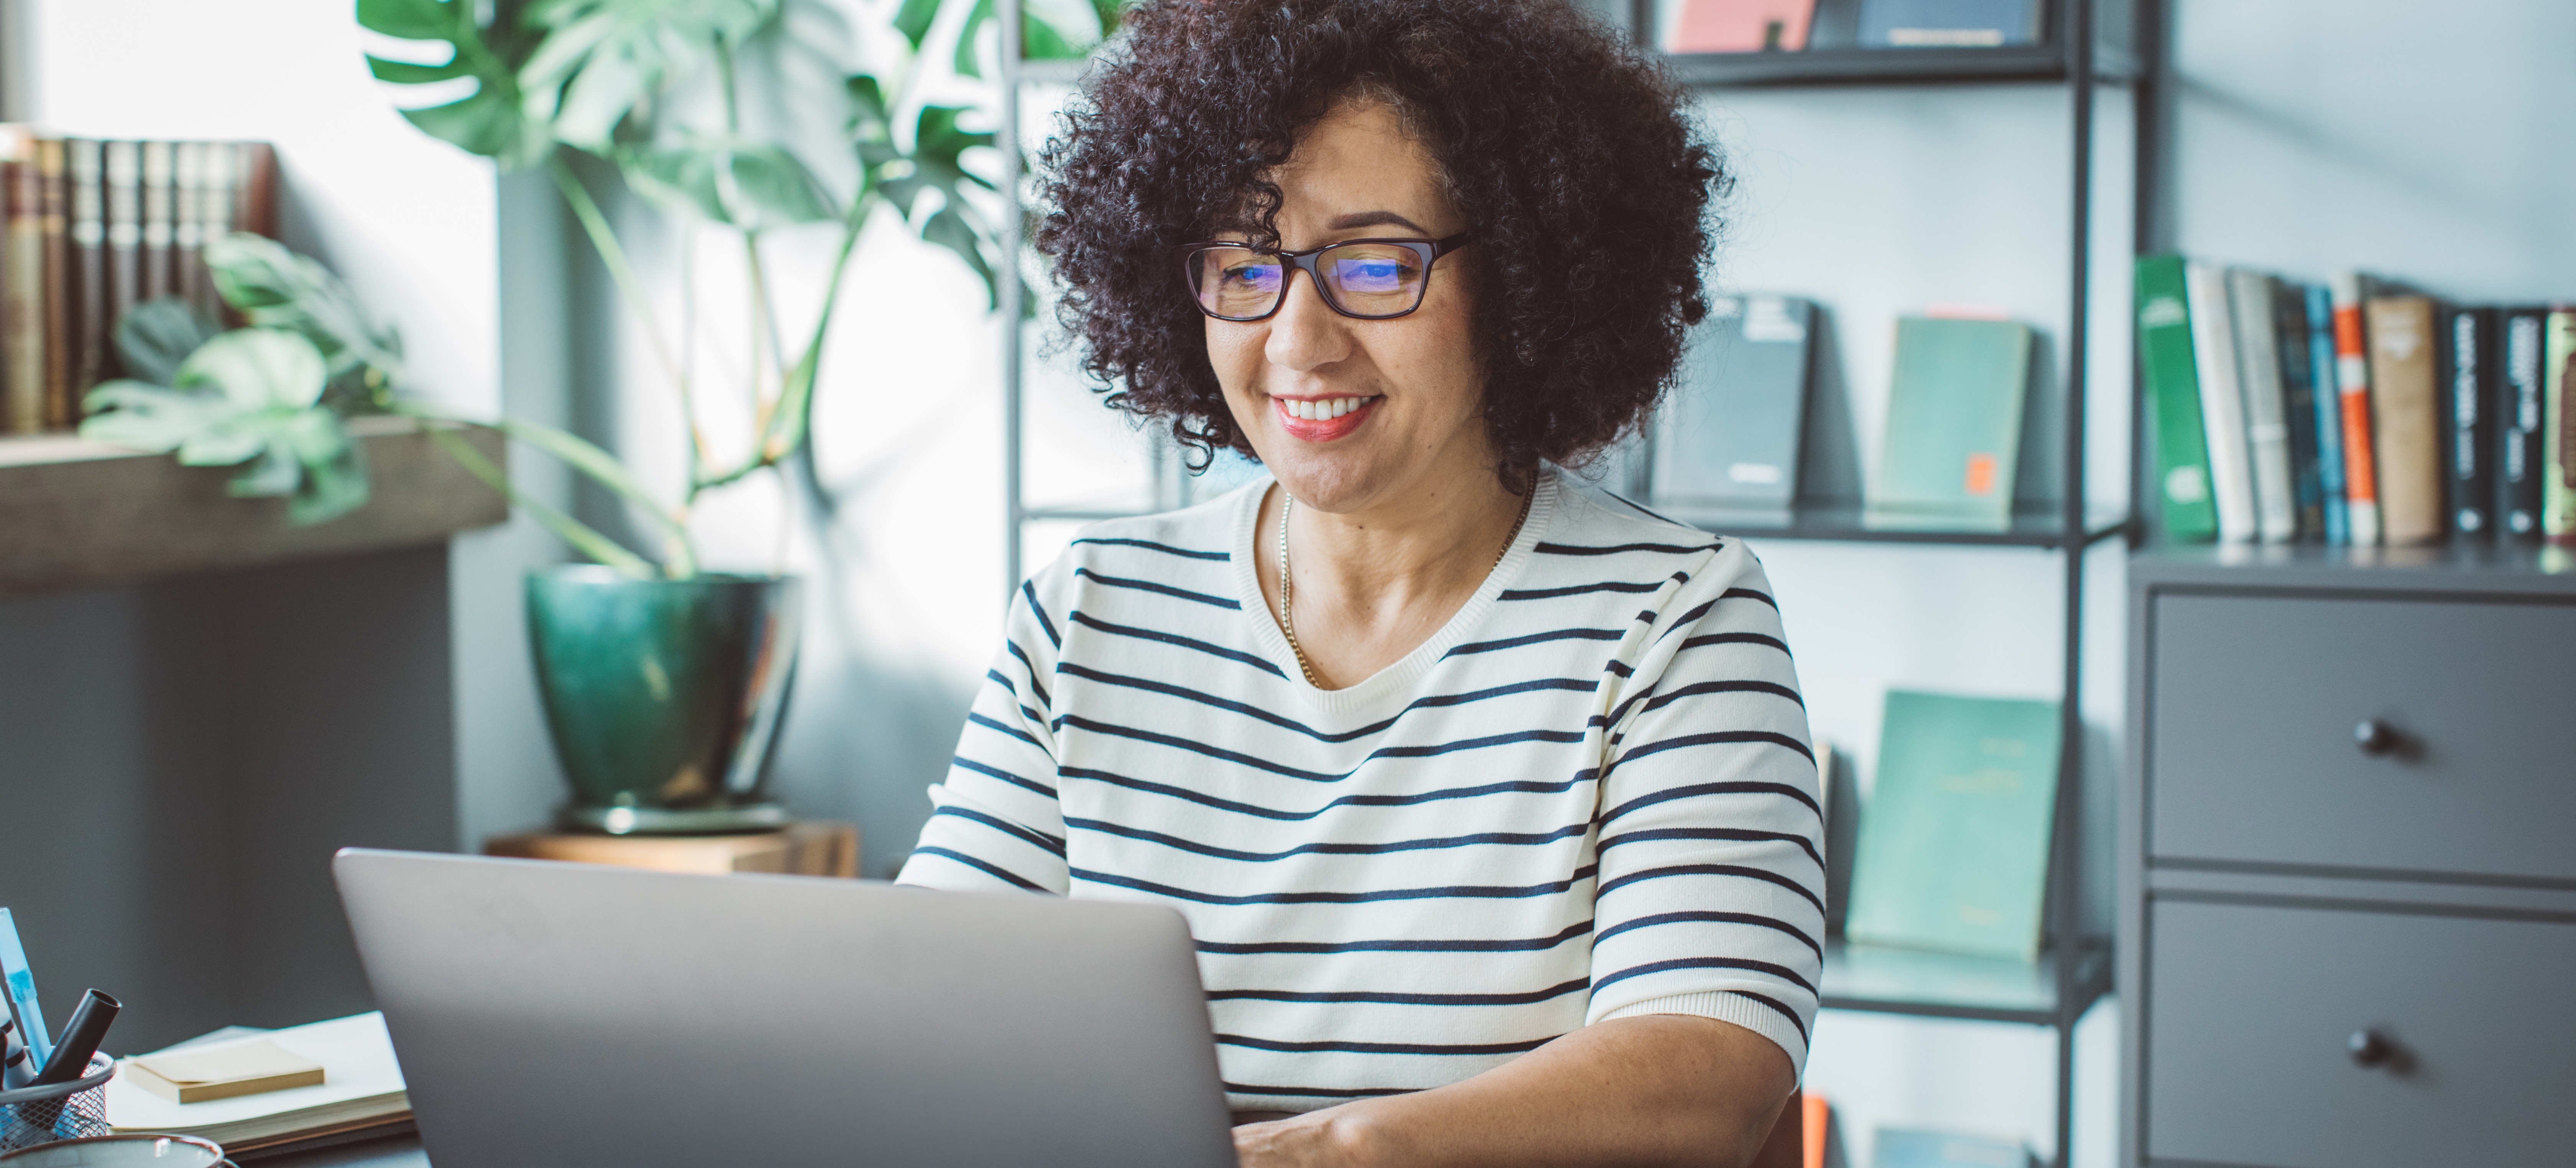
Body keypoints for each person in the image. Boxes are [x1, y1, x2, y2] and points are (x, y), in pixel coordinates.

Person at [896, 2, 1820, 1164]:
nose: (1298, 341)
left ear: (1530, 277)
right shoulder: (1091, 617)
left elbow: (1703, 1076)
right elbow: (918, 1018)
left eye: (1376, 264)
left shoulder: (1678, 622)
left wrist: (1333, 1152)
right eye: (1245, 264)